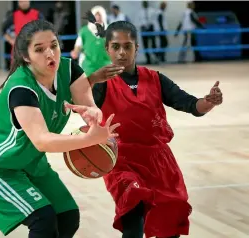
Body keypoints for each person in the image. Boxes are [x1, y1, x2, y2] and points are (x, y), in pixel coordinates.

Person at [0, 20, 122, 238]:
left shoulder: (69, 69)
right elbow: (42, 140)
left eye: (54, 45)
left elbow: (89, 105)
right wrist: (90, 139)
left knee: (67, 216)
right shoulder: (22, 88)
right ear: (26, 56)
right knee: (43, 220)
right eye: (40, 49)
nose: (50, 54)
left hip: (30, 160)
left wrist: (94, 115)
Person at [79, 17, 223, 238]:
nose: (121, 52)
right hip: (122, 161)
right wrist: (89, 81)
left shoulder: (155, 78)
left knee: (170, 221)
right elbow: (75, 102)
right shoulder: (101, 85)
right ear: (107, 49)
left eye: (127, 46)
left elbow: (191, 105)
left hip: (158, 160)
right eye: (115, 47)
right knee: (133, 213)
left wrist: (209, 102)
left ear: (136, 48)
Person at [70, 6, 111, 76]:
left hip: (106, 67)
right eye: (95, 16)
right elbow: (78, 45)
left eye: (100, 16)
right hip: (88, 68)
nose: (97, 18)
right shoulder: (84, 31)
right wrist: (75, 52)